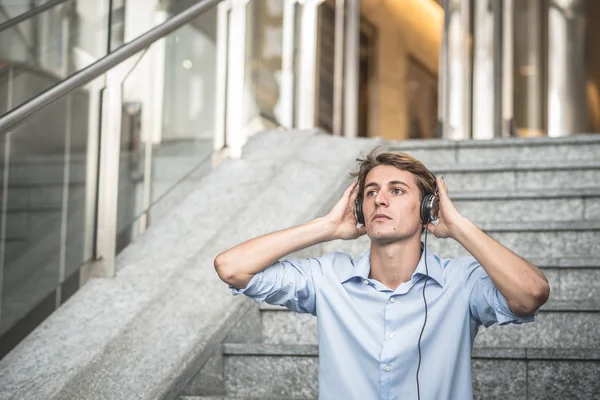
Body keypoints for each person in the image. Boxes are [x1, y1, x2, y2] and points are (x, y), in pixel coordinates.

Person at [214, 148, 550, 400]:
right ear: (360, 208)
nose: (380, 200)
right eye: (371, 192)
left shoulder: (460, 282)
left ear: (427, 209)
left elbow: (531, 293)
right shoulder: (329, 276)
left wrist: (461, 227)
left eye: (397, 190)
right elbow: (231, 267)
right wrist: (326, 226)